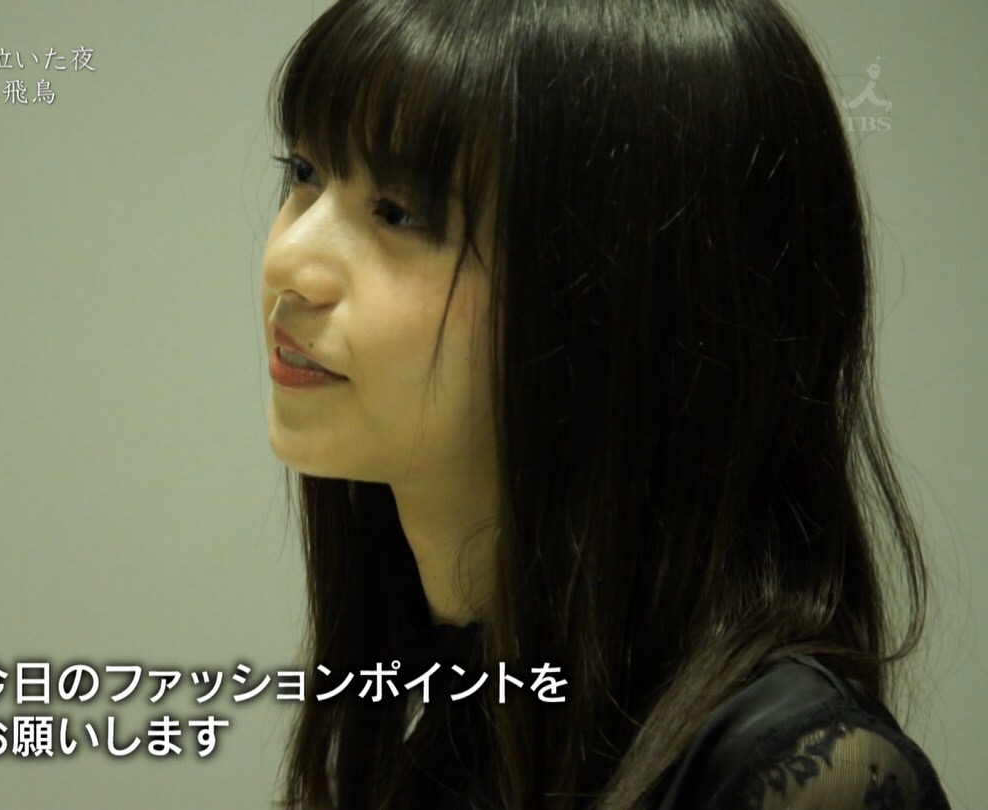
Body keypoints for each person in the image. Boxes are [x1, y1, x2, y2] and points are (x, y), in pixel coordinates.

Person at [257, 0, 952, 808]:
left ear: (625, 299)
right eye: (303, 172)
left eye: (398, 212)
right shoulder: (460, 720)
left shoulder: (799, 776)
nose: (288, 260)